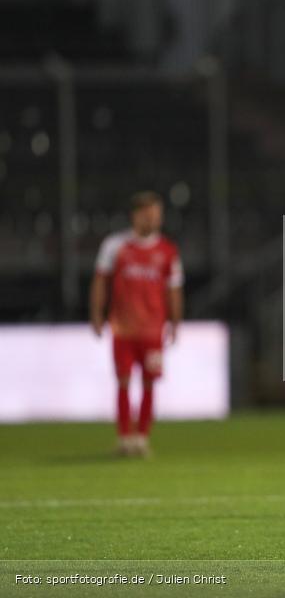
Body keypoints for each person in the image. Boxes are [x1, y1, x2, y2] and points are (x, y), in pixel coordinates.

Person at [90, 191, 183, 457]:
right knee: (123, 380)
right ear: (135, 216)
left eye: (157, 214)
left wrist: (175, 322)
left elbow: (173, 288)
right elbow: (100, 281)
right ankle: (124, 438)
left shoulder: (168, 250)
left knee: (150, 383)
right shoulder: (115, 246)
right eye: (148, 214)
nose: (154, 219)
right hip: (123, 327)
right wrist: (97, 314)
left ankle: (141, 437)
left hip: (153, 329)